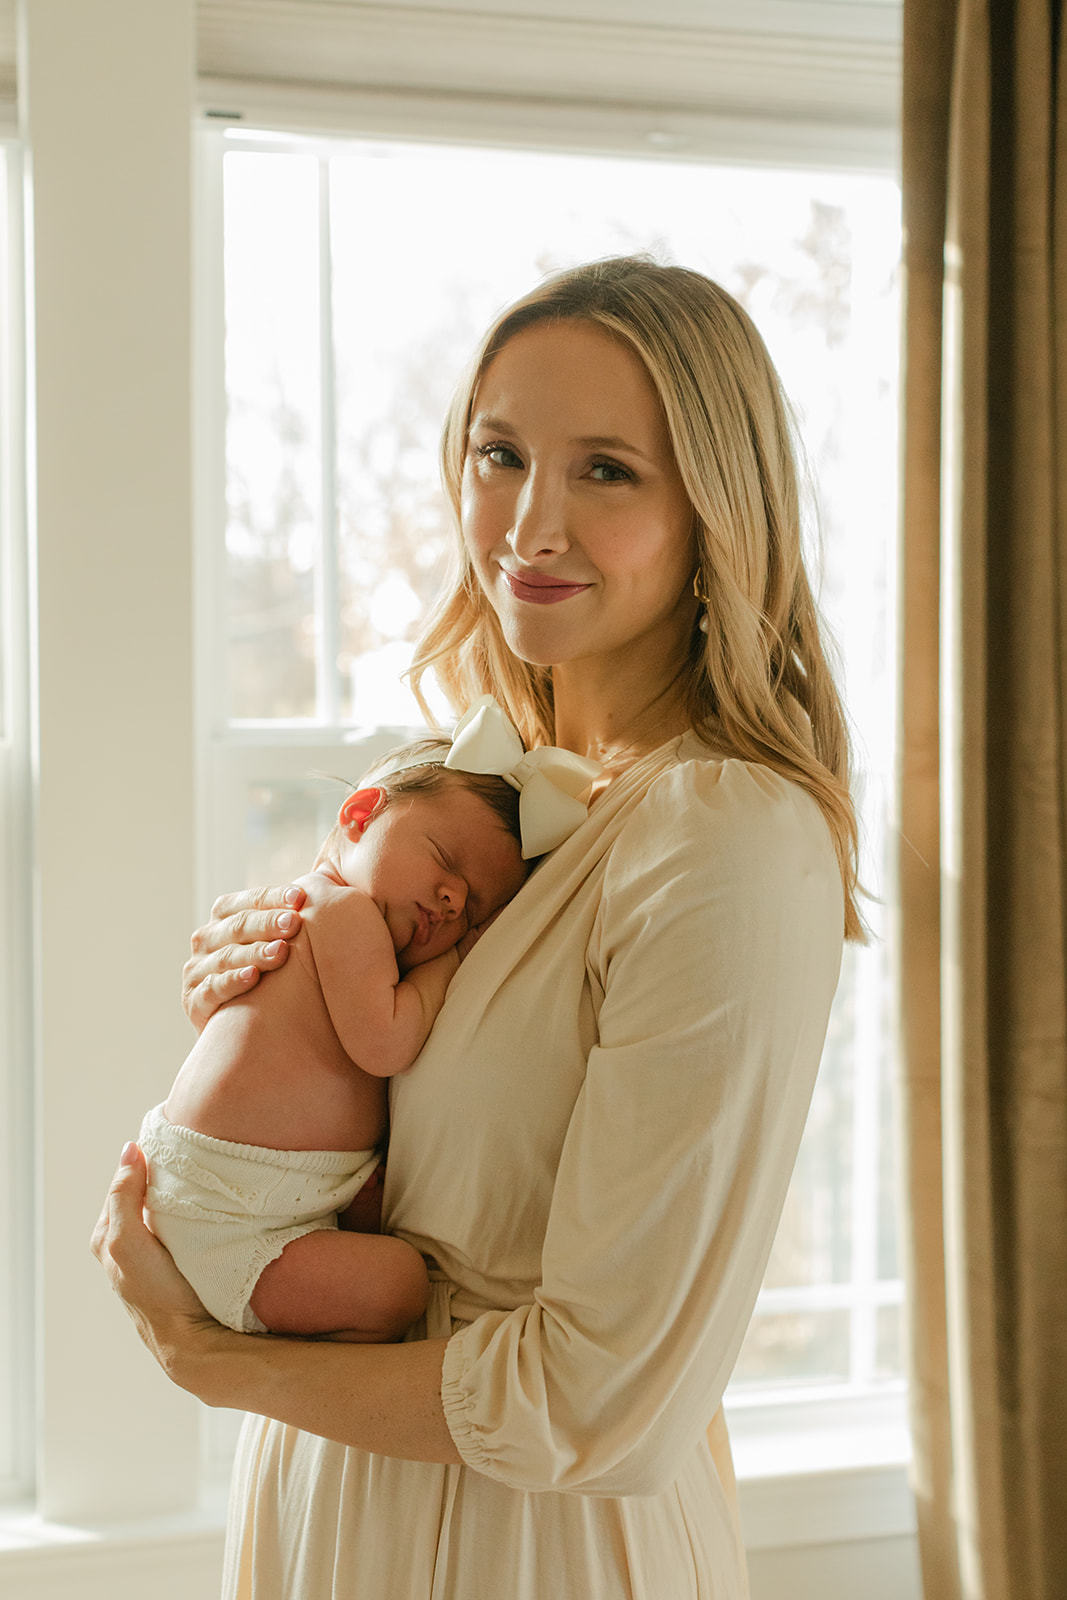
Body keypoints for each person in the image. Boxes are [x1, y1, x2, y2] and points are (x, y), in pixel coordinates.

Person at [93, 255, 861, 1600]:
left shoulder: (721, 837)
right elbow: (412, 1140)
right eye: (499, 454)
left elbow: (599, 1395)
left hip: (523, 1543)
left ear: (711, 512)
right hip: (332, 1493)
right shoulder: (470, 798)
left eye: (605, 470)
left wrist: (215, 1361)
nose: (528, 523)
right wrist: (264, 1010)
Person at [139, 737, 530, 1344]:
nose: (453, 900)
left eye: (473, 910)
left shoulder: (343, 924)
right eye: (444, 859)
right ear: (359, 814)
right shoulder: (340, 912)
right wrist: (450, 965)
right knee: (401, 1285)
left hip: (258, 1197)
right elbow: (386, 1044)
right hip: (234, 1213)